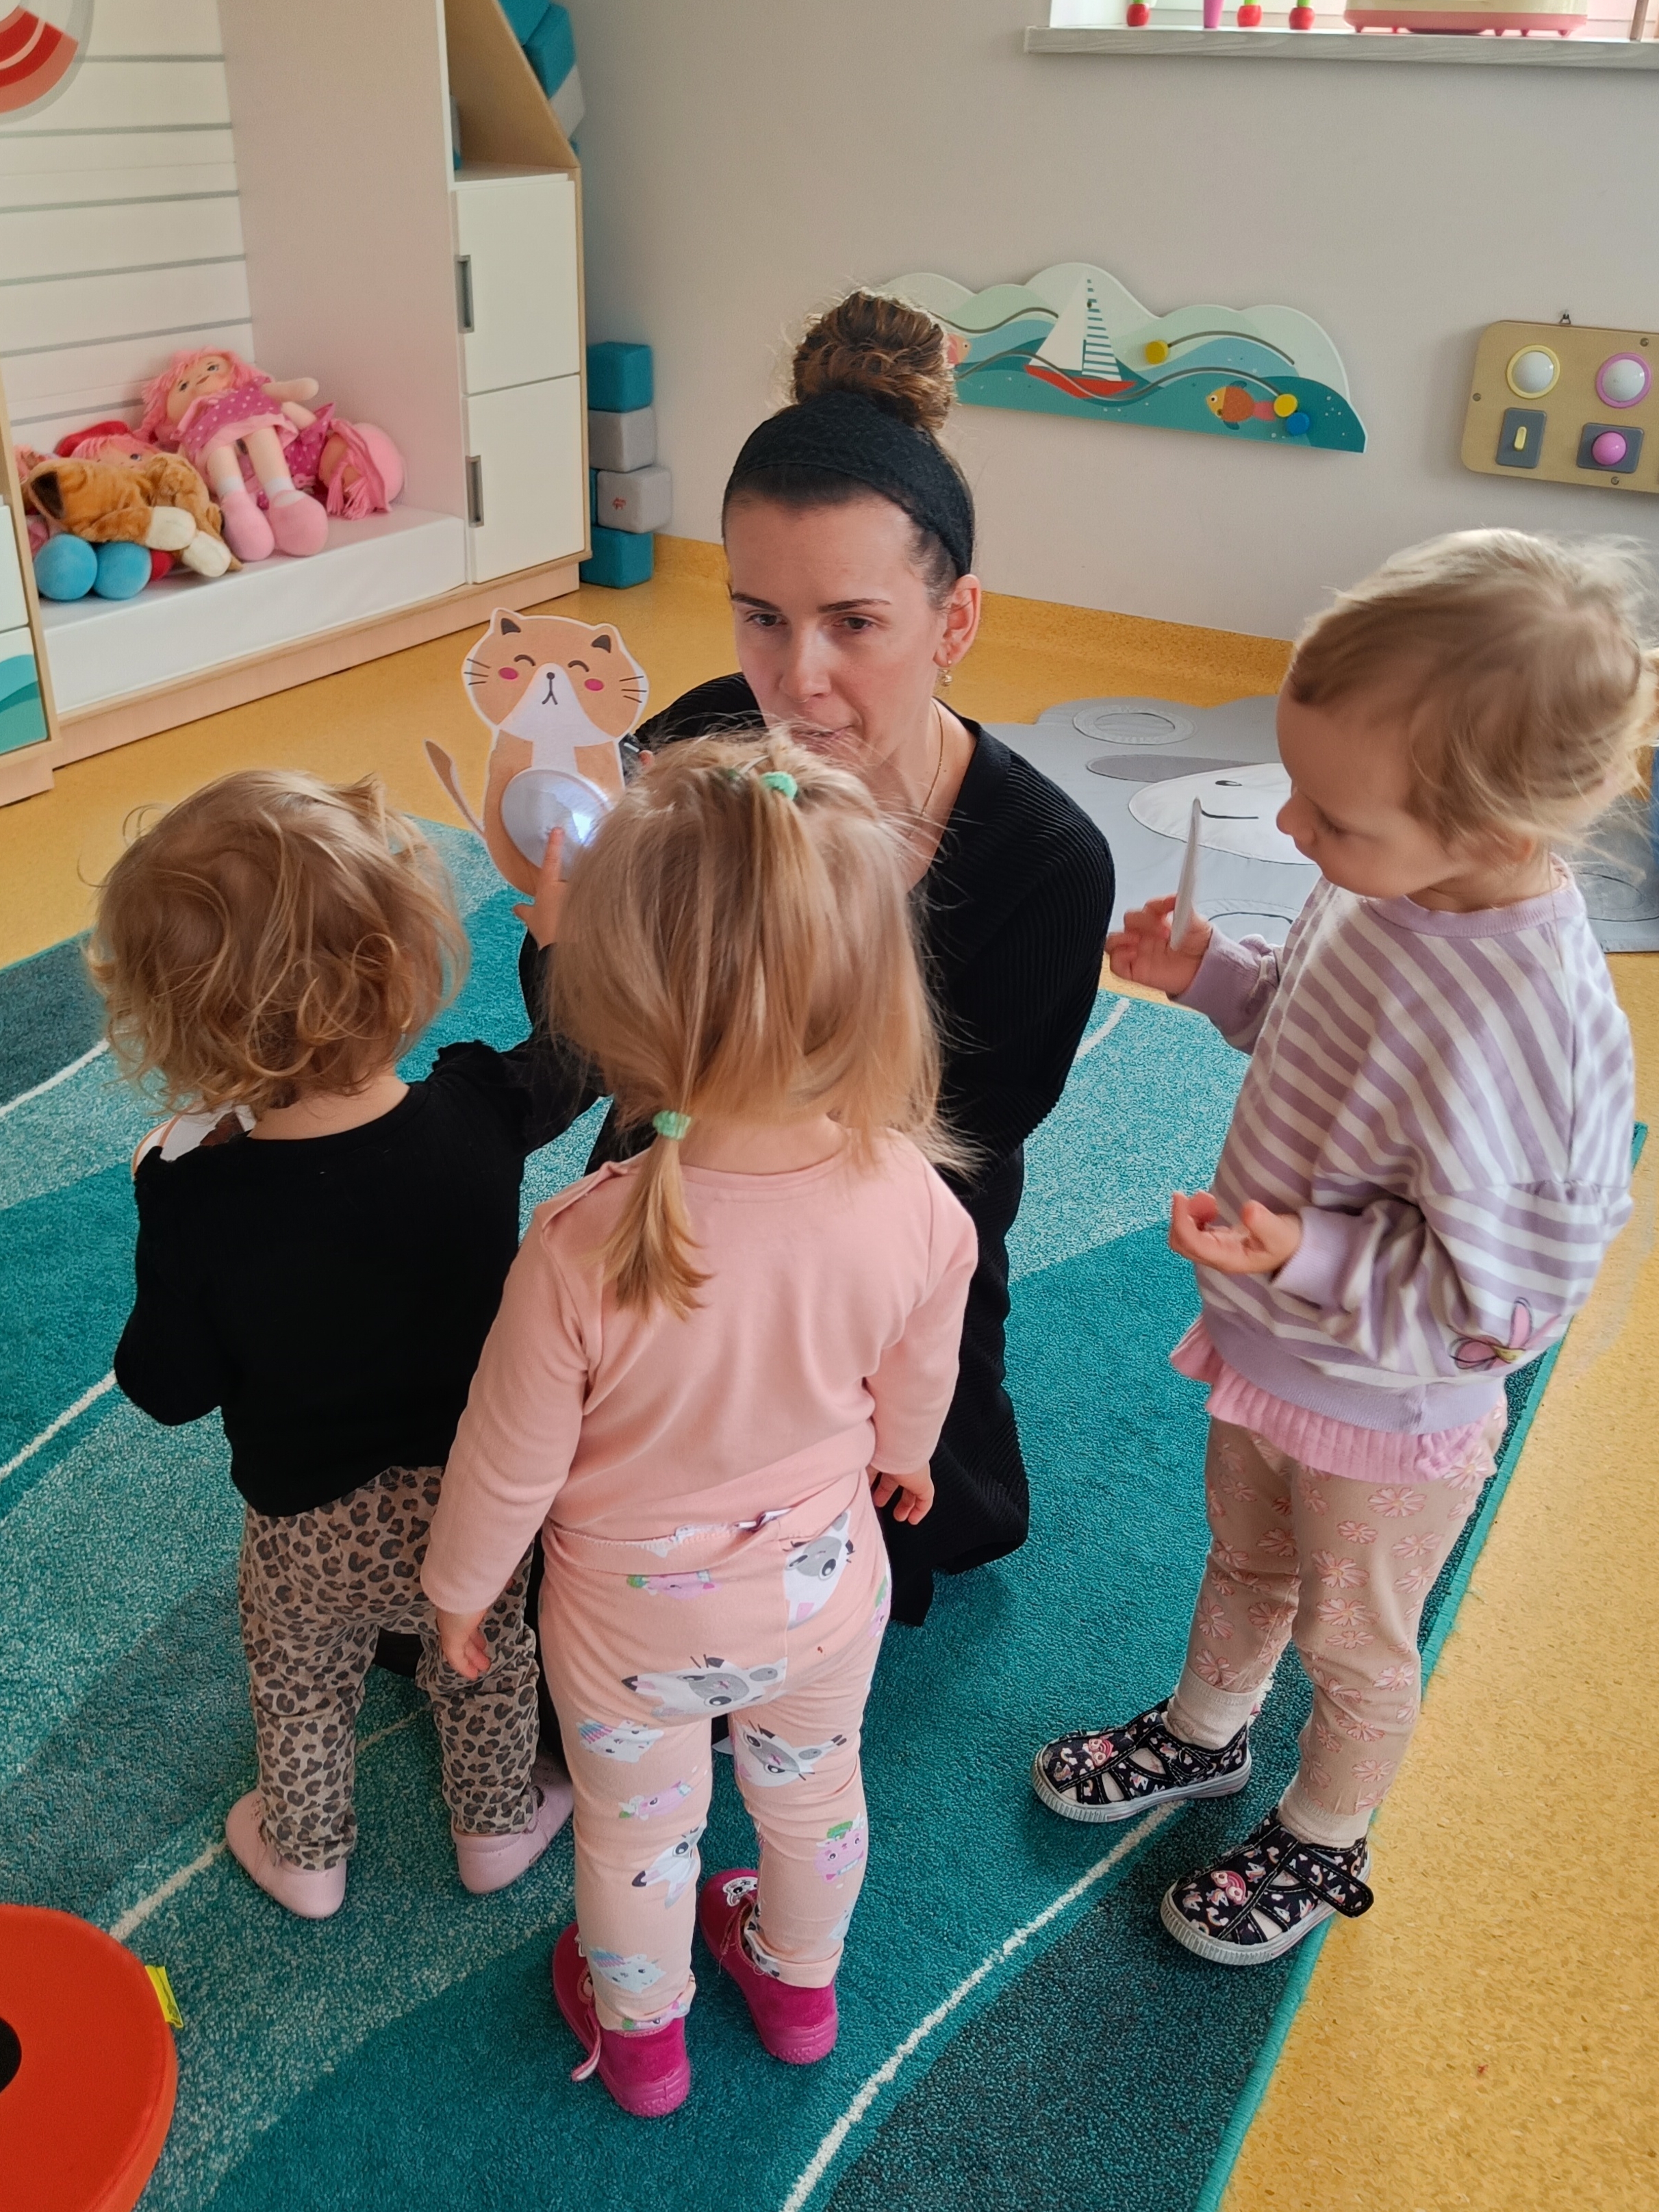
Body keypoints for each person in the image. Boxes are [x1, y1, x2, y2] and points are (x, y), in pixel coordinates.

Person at [1031, 531, 1645, 1963]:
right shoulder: (1379, 881)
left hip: (1389, 1406)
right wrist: (1214, 977)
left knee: (1353, 1644)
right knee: (1245, 1563)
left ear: (1495, 826)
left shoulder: (1540, 1032)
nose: (1293, 826)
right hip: (1273, 1341)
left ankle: (1325, 1832)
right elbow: (1313, 1031)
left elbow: (1508, 1303)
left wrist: (1308, 1253)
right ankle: (1205, 1734)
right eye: (1295, 783)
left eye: (1334, 813)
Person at [526, 290, 1113, 1627]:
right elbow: (587, 1050)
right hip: (678, 1183)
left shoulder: (1044, 862)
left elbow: (964, 1142)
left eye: (855, 622)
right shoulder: (690, 753)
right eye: (760, 617)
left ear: (954, 621)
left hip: (884, 1234)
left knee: (921, 1519)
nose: (796, 680)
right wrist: (571, 945)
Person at [424, 735, 976, 2118]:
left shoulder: (581, 1243)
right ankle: (799, 1989)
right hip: (825, 1585)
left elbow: (508, 1456)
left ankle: (645, 2044)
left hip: (629, 1627)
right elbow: (923, 1366)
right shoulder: (916, 1195)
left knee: (638, 1835)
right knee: (816, 1794)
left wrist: (459, 1589)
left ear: (615, 1002)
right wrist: (908, 1456)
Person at [97, 770, 583, 1920]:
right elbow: (574, 1058)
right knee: (486, 1659)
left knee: (302, 1681)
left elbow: (168, 1387)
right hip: (479, 1503)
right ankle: (496, 1830)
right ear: (406, 966)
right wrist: (557, 947)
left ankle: (306, 1857)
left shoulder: (197, 1197)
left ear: (177, 1027)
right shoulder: (477, 1108)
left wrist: (162, 1200)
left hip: (307, 1526)